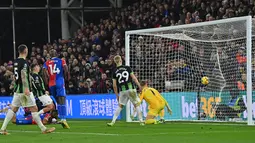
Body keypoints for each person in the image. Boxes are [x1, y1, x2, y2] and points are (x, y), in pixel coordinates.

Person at [0, 44, 55, 135]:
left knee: (13, 109)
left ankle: (3, 129)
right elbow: (23, 75)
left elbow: (16, 76)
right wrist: (26, 88)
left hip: (17, 89)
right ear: (25, 51)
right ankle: (43, 129)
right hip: (24, 90)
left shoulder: (16, 62)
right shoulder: (24, 62)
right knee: (34, 109)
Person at [107, 55, 144, 126]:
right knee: (136, 105)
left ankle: (113, 122)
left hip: (123, 90)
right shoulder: (127, 68)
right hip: (131, 89)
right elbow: (134, 78)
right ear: (121, 60)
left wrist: (117, 95)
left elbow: (114, 86)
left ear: (115, 62)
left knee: (120, 106)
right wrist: (139, 86)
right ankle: (141, 121)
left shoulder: (114, 71)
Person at [42, 49, 70, 129]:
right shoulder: (61, 61)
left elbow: (44, 72)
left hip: (51, 83)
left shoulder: (46, 63)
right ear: (56, 54)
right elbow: (65, 68)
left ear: (50, 55)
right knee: (62, 99)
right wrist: (67, 77)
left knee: (57, 101)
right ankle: (63, 118)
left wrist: (46, 81)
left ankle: (58, 117)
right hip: (59, 81)